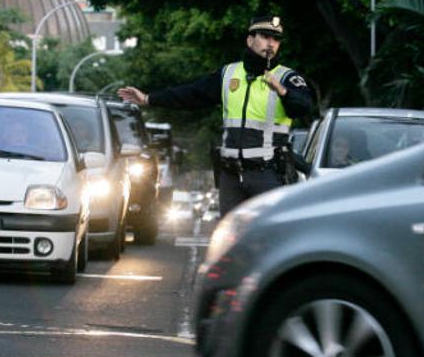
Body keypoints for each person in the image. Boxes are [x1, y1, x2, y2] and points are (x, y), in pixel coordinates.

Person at [118, 15, 312, 215]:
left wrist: (282, 91)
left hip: (268, 175)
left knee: (269, 238)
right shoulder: (229, 74)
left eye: (276, 39)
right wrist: (149, 99)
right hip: (231, 176)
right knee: (228, 238)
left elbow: (303, 106)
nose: (271, 44)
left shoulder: (287, 78)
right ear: (250, 40)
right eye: (265, 37)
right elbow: (191, 94)